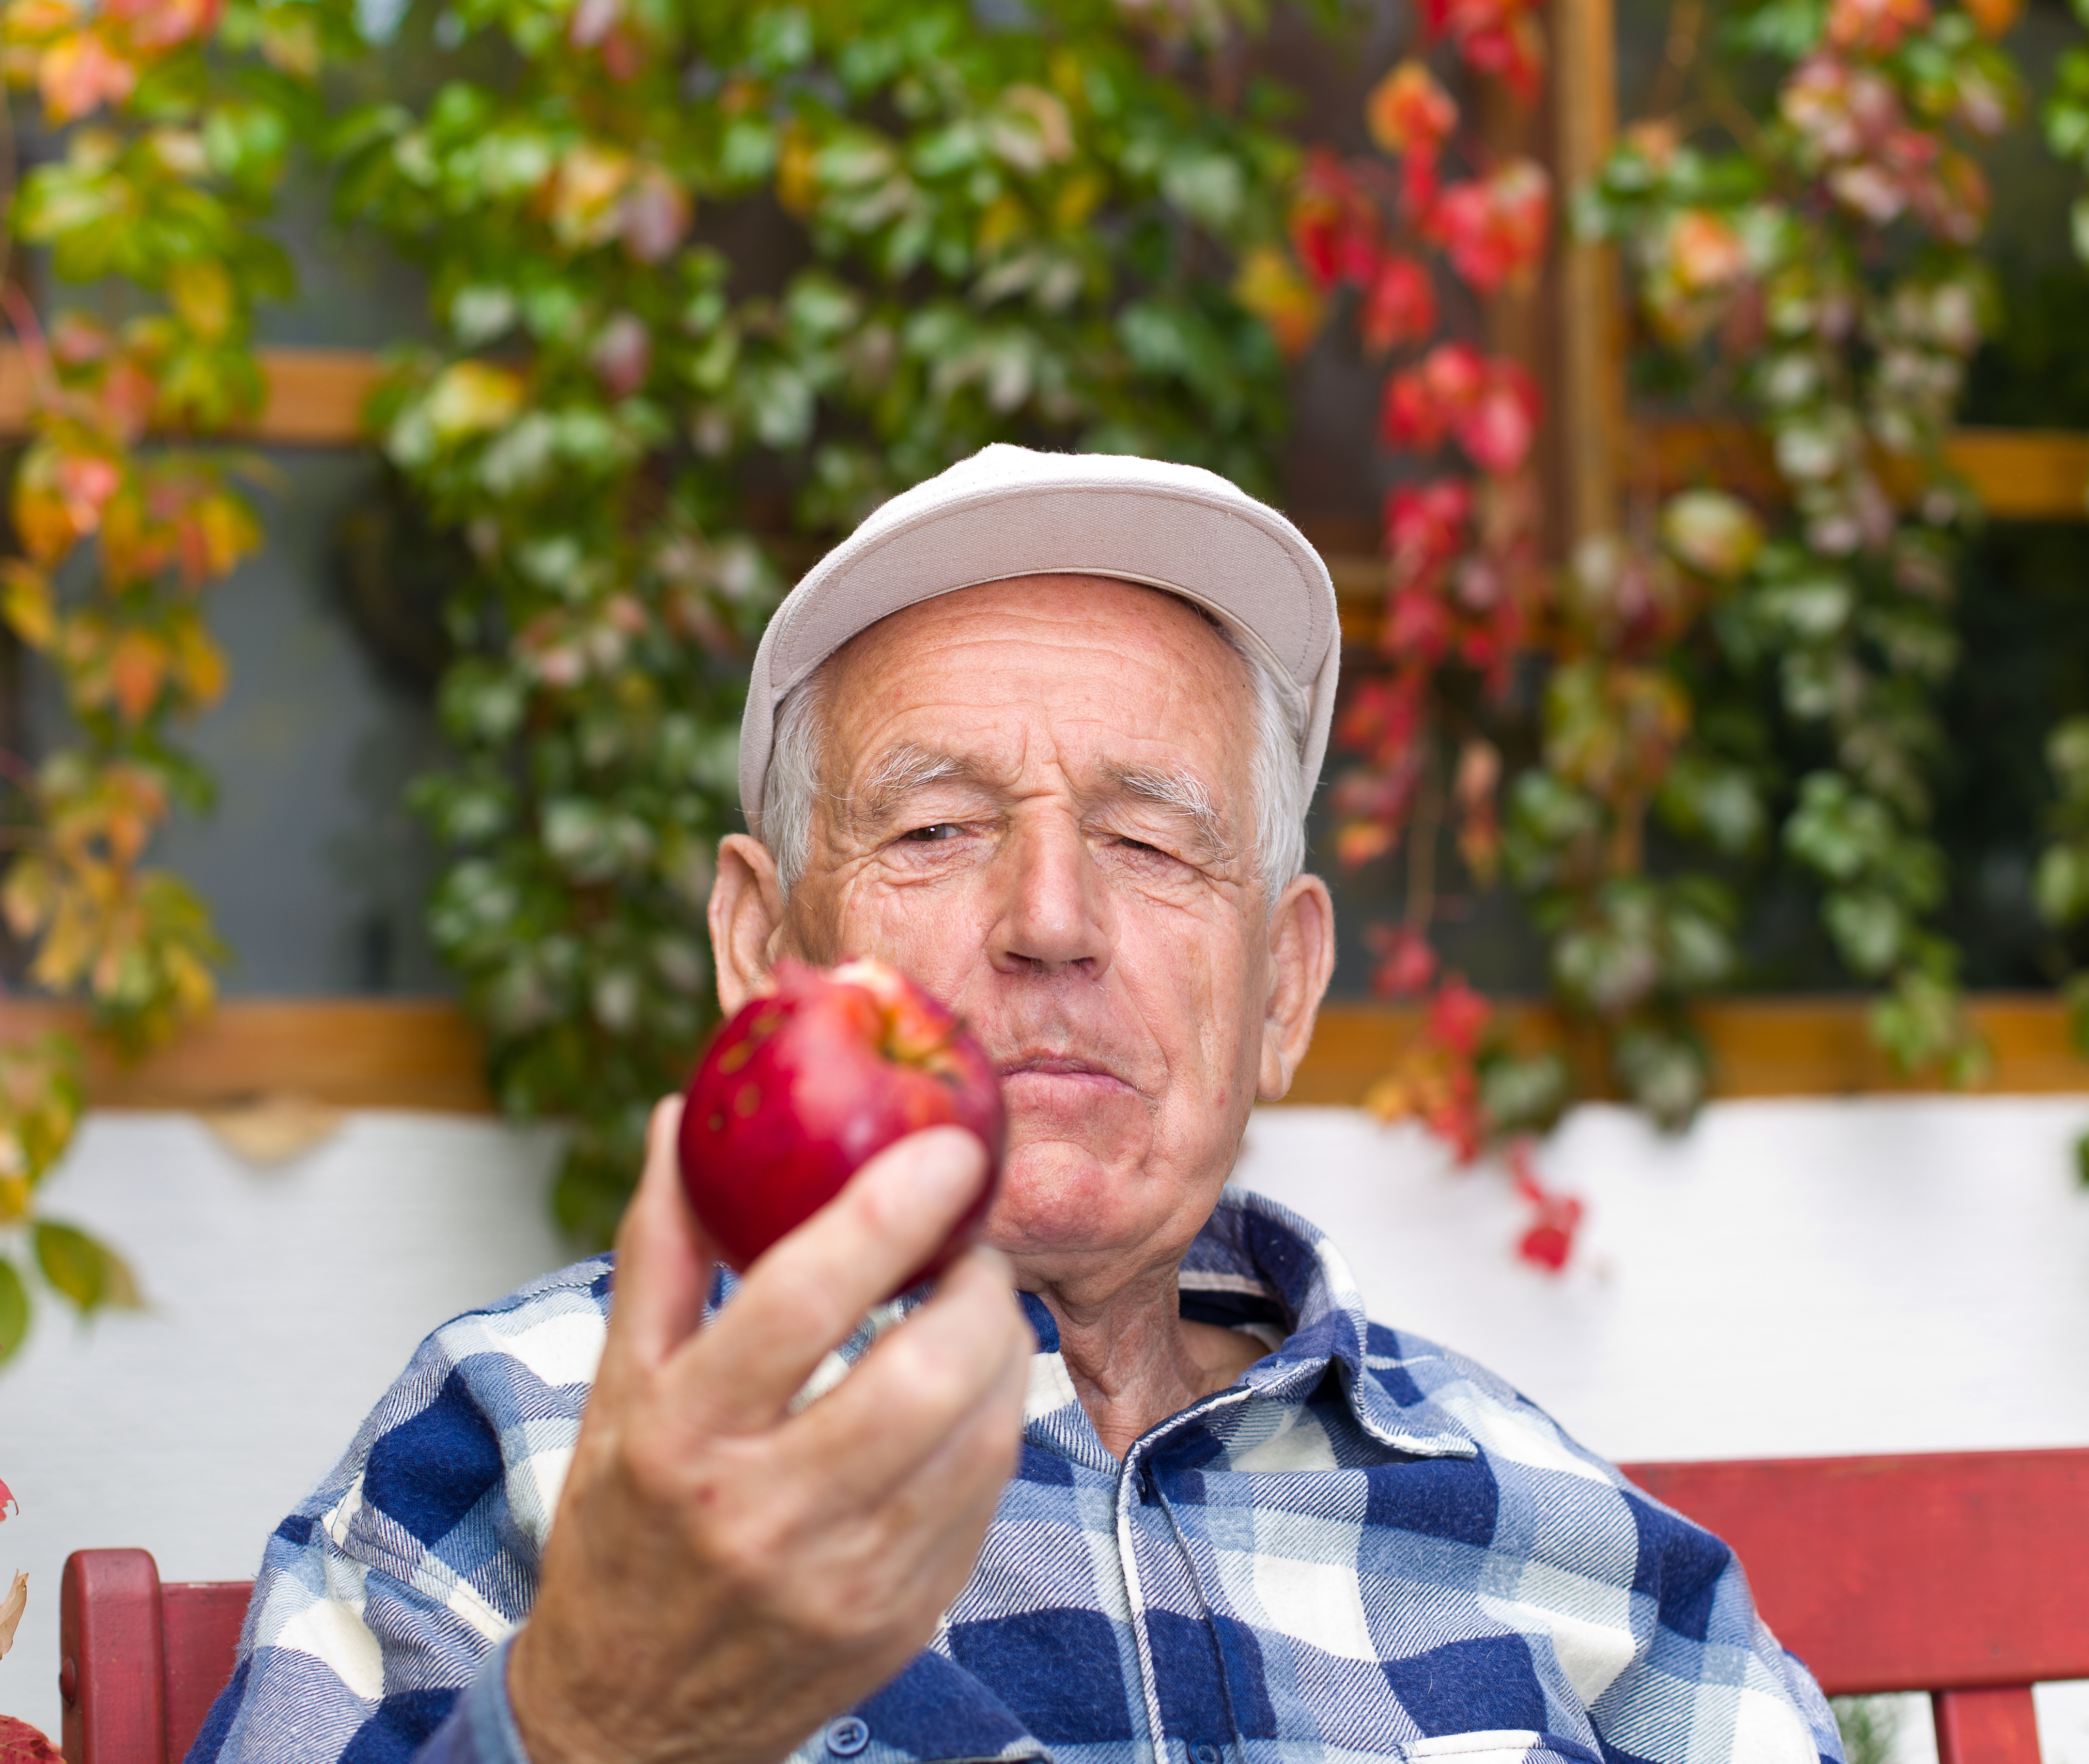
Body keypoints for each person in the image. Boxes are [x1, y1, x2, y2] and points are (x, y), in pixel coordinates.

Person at [193, 447, 1842, 1764]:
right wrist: (593, 1730)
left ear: (1280, 987)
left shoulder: (1557, 1528)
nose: (1049, 919)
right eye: (931, 831)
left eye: (1148, 840)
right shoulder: (534, 1439)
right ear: (766, 954)